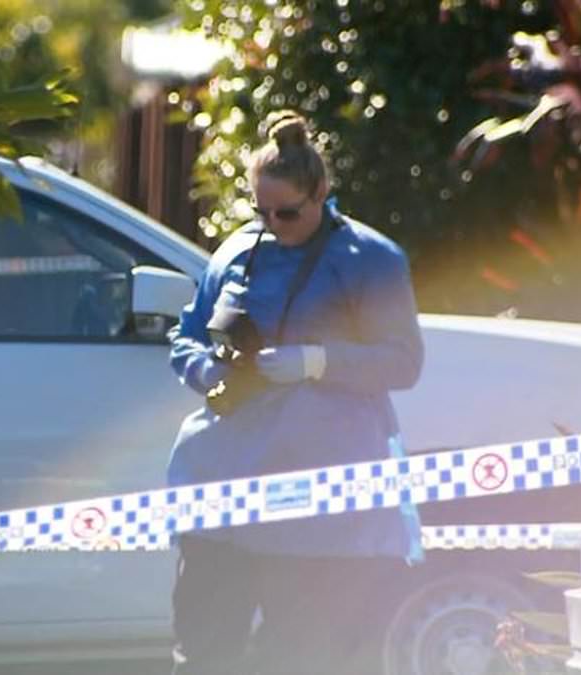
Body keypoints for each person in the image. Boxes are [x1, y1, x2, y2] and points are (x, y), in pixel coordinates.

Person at [166, 110, 425, 674]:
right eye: (261, 211)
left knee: (301, 657)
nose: (274, 224)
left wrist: (316, 362)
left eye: (287, 212)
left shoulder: (370, 258)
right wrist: (208, 371)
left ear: (322, 192)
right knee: (204, 654)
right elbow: (184, 337)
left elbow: (404, 362)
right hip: (221, 487)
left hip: (315, 507)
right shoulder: (237, 249)